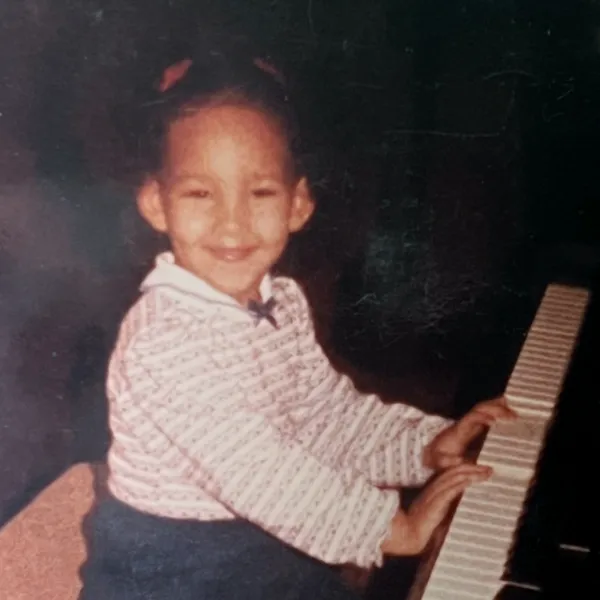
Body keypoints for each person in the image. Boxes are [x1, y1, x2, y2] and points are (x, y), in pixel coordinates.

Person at [78, 51, 515, 600]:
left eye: (260, 192)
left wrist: (425, 447)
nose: (231, 221)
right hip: (172, 572)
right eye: (199, 193)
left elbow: (323, 414)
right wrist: (390, 529)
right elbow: (261, 469)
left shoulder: (279, 300)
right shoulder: (162, 343)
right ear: (156, 204)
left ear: (298, 204)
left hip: (262, 539)